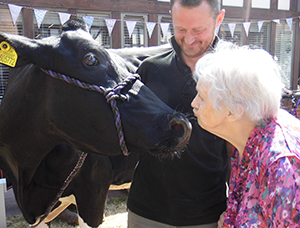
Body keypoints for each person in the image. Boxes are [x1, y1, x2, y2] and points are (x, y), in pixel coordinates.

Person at [127, 0, 229, 227]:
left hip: (207, 216)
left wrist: (236, 206)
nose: (189, 39)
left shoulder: (233, 77)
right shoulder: (150, 69)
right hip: (145, 212)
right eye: (180, 29)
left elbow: (242, 150)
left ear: (219, 19)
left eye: (198, 30)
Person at [191, 44, 300, 227]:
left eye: (202, 97)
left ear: (233, 112)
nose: (194, 103)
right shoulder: (250, 139)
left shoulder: (280, 164)